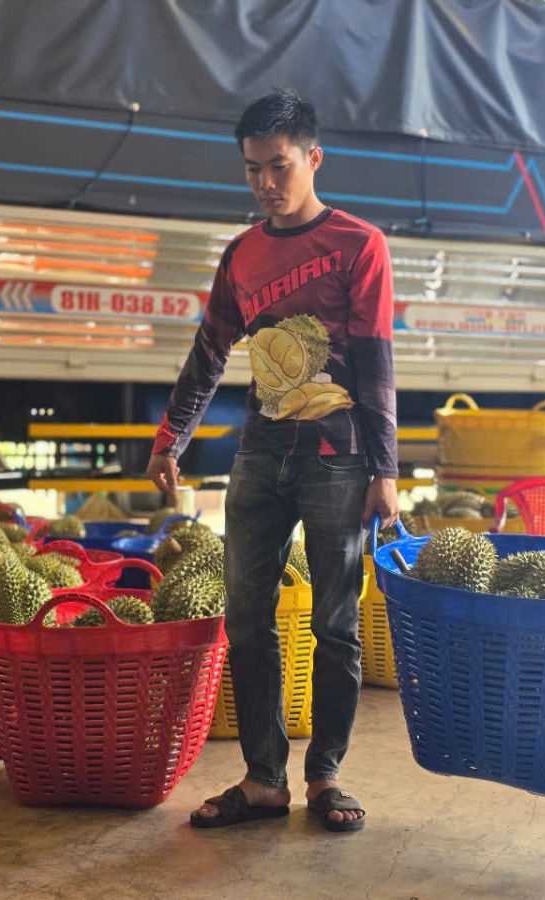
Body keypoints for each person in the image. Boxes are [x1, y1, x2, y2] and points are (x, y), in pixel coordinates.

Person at [146, 88, 399, 833]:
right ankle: (264, 779)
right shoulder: (243, 254)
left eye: (278, 165)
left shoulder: (359, 245)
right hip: (259, 459)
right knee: (247, 621)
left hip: (338, 462)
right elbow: (210, 353)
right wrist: (171, 437)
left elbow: (378, 362)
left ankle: (325, 776)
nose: (265, 182)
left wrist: (385, 469)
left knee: (337, 626)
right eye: (252, 169)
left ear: (313, 158)